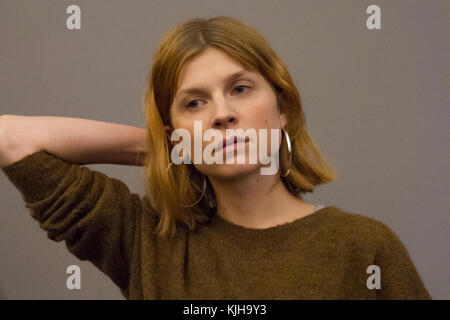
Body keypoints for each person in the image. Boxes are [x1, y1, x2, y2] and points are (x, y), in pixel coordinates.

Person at [0, 16, 431, 299]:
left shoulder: (364, 246)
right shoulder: (145, 239)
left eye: (240, 89)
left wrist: (191, 138)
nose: (222, 114)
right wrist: (172, 148)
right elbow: (10, 137)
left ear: (282, 108)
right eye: (193, 104)